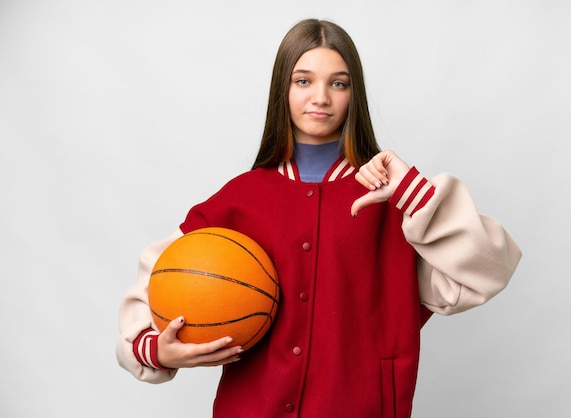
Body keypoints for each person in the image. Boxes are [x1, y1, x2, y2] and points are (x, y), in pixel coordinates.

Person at [116, 18, 522, 417]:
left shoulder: (394, 200)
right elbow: (152, 289)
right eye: (303, 80)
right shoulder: (240, 198)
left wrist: (412, 192)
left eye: (338, 83)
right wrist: (157, 349)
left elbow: (488, 269)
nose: (321, 97)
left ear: (353, 94)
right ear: (283, 90)